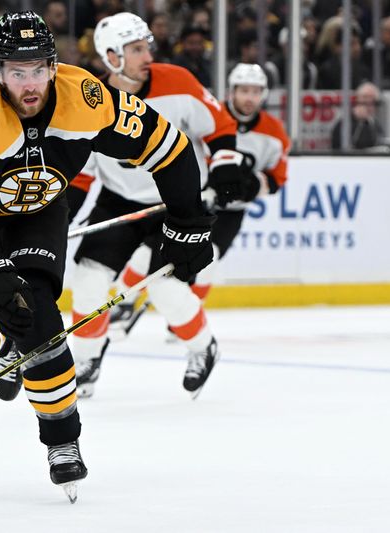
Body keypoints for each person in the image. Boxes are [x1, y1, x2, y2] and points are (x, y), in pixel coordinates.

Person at [0, 11, 213, 498]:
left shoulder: (89, 101)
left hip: (38, 208)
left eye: (38, 69)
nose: (28, 83)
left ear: (54, 67)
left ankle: (62, 442)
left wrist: (188, 224)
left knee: (36, 312)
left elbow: (171, 149)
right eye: (16, 71)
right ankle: (1, 339)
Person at [65, 12, 240, 399]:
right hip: (118, 203)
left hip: (172, 202)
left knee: (164, 285)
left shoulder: (177, 81)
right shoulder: (90, 100)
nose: (148, 56)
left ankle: (202, 346)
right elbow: (81, 173)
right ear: (112, 56)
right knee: (89, 282)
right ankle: (88, 360)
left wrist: (225, 167)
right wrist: (60, 214)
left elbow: (220, 126)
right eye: (137, 49)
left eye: (147, 47)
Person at [192, 63, 291, 303]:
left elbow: (277, 178)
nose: (250, 97)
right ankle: (129, 302)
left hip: (231, 213)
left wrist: (252, 186)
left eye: (256, 91)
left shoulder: (274, 131)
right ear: (232, 91)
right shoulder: (211, 117)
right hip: (195, 204)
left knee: (209, 260)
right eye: (244, 90)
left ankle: (187, 316)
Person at [330, 81, 382, 150]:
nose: (368, 106)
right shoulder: (344, 124)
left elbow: (380, 141)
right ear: (357, 99)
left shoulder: (374, 124)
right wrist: (359, 121)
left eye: (372, 102)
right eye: (364, 99)